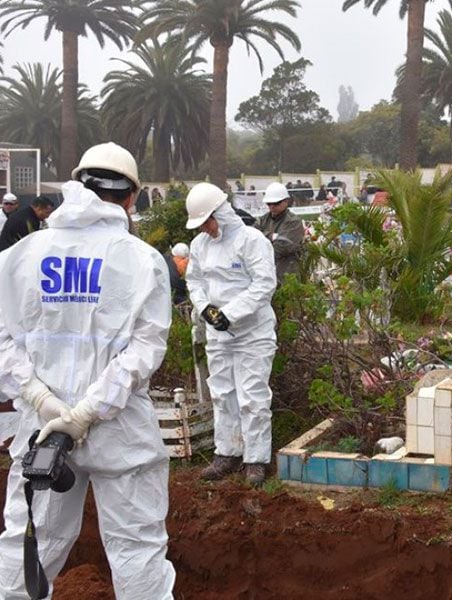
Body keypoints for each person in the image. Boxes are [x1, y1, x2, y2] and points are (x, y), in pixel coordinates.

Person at [0, 141, 176, 597]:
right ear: (132, 197)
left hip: (42, 430)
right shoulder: (141, 261)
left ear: (78, 185)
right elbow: (142, 353)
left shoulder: (19, 257)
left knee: (27, 548)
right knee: (137, 551)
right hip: (119, 432)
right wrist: (85, 414)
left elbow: (3, 342)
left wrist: (44, 401)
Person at [184, 182, 277, 487]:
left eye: (206, 222)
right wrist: (206, 309)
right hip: (218, 333)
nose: (205, 229)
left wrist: (231, 313)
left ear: (220, 213)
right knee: (222, 393)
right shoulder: (199, 245)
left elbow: (264, 285)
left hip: (253, 332)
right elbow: (194, 281)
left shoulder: (252, 241)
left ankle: (256, 459)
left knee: (252, 395)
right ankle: (227, 452)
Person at [257, 182, 305, 283]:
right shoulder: (263, 219)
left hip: (287, 276)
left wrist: (263, 237)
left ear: (286, 201)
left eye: (276, 203)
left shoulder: (293, 222)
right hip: (265, 274)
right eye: (269, 203)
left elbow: (283, 247)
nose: (272, 207)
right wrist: (272, 236)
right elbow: (252, 237)